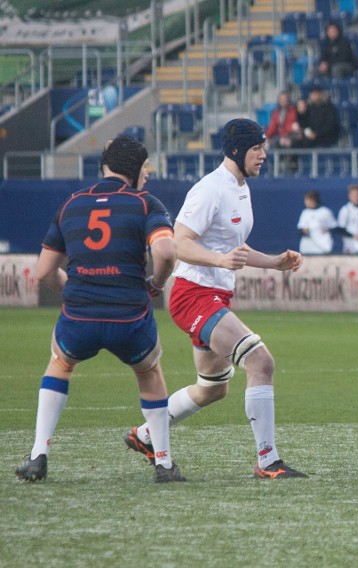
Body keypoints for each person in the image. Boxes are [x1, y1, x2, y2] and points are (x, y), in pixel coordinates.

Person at [124, 119, 307, 479]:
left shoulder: (240, 186)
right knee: (260, 362)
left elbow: (232, 248)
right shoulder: (210, 189)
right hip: (193, 295)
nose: (264, 155)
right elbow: (179, 242)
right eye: (258, 149)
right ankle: (268, 461)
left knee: (213, 388)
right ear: (238, 151)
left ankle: (146, 435)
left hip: (214, 296)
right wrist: (221, 261)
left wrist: (274, 263)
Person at [15, 136, 185, 483]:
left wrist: (74, 291)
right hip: (130, 315)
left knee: (60, 365)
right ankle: (164, 464)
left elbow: (44, 270)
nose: (148, 176)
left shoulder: (72, 204)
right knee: (149, 374)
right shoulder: (145, 204)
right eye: (146, 169)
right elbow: (166, 253)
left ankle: (38, 455)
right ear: (135, 169)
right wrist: (156, 283)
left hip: (80, 316)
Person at [298, 190, 338, 255]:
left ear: (313, 200)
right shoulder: (305, 212)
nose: (305, 202)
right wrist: (304, 231)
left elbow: (335, 228)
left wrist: (328, 230)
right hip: (307, 247)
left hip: (322, 247)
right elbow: (300, 230)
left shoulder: (325, 211)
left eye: (307, 200)